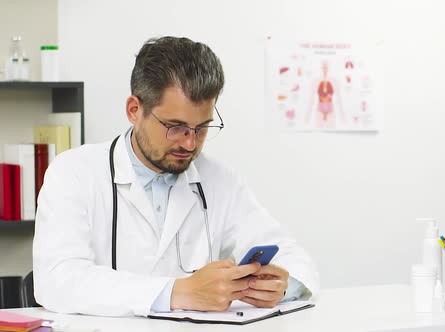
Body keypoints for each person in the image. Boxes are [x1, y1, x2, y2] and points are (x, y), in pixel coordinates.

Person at [32, 36, 319, 317]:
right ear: (134, 110)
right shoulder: (74, 172)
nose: (190, 144)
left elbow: (290, 254)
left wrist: (282, 286)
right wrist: (177, 292)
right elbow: (56, 279)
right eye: (175, 126)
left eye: (202, 128)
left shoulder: (220, 180)